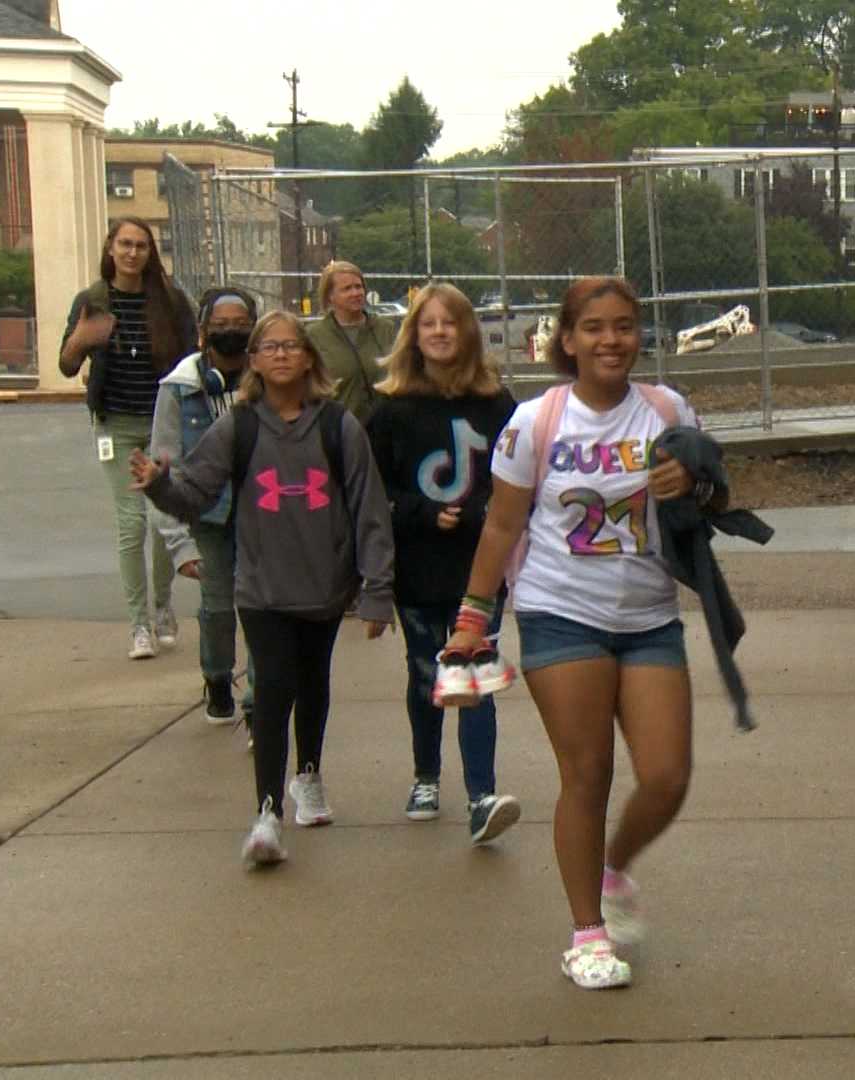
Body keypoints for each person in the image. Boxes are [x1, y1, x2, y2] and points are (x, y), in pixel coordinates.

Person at [444, 276, 723, 991]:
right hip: (558, 609)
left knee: (666, 776)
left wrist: (690, 489)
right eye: (594, 327)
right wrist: (474, 617)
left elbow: (714, 497)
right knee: (588, 772)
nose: (611, 340)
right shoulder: (535, 421)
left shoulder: (667, 409)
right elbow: (502, 523)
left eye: (624, 326)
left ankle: (613, 869)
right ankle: (587, 934)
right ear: (566, 340)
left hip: (650, 614)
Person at [130, 311, 396, 868]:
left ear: (309, 359)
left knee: (313, 683)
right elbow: (194, 495)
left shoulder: (338, 427)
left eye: (290, 346)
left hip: (324, 585)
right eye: (267, 346)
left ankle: (309, 775)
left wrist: (376, 589)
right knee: (272, 688)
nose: (279, 355)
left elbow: (369, 510)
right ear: (252, 361)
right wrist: (159, 487)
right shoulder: (239, 426)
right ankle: (267, 813)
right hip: (261, 587)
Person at [366, 282, 523, 840]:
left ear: (468, 332)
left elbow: (518, 474)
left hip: (479, 566)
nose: (439, 332)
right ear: (414, 334)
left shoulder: (497, 403)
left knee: (474, 672)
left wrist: (485, 509)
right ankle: (426, 773)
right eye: (428, 323)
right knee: (426, 673)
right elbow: (371, 489)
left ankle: (482, 795)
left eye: (450, 323)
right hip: (418, 564)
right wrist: (420, 512)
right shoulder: (390, 408)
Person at [58, 217, 197, 659]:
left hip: (162, 423)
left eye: (140, 245)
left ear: (150, 252)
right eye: (124, 244)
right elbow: (66, 364)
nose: (132, 252)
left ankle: (161, 608)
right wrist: (81, 340)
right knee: (130, 523)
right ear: (111, 248)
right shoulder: (94, 299)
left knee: (163, 522)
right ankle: (138, 625)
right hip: (115, 425)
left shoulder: (171, 301)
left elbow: (193, 360)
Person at [148, 286, 258, 727]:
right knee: (217, 607)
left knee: (259, 609)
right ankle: (216, 678)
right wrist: (179, 546)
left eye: (240, 324)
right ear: (202, 332)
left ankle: (256, 702)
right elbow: (162, 466)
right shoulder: (178, 390)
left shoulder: (269, 382)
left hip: (260, 514)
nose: (231, 332)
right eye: (221, 325)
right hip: (208, 516)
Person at [306, 260, 397, 423]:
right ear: (330, 296)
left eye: (358, 286)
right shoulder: (314, 335)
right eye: (347, 289)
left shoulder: (386, 329)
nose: (356, 293)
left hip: (385, 429)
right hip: (339, 429)